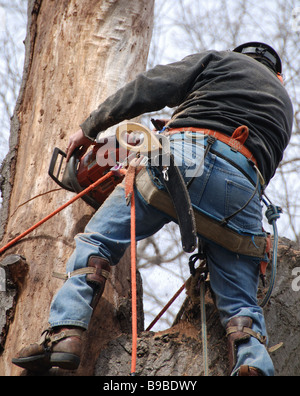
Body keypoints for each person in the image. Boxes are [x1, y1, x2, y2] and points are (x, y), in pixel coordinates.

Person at [13, 42, 293, 376]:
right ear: (277, 74)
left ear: (241, 56)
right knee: (242, 305)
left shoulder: (220, 61)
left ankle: (64, 333)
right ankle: (253, 362)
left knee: (97, 242)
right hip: (243, 193)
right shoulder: (284, 105)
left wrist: (90, 126)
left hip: (184, 157)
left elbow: (153, 85)